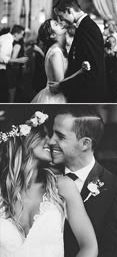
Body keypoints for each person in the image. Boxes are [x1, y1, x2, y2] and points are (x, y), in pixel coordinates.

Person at [0, 110, 98, 257]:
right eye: (43, 134)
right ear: (23, 138)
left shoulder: (62, 186)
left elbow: (89, 246)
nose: (51, 141)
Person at [49, 105, 117, 257]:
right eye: (52, 133)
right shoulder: (45, 177)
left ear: (85, 143)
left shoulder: (113, 187)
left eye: (60, 136)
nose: (50, 141)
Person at [52, 0, 106, 103]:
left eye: (61, 16)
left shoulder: (88, 29)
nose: (61, 21)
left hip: (87, 96)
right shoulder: (83, 27)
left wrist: (61, 86)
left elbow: (91, 70)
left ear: (68, 10)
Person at [0, 25, 28, 103]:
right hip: (1, 70)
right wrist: (18, 60)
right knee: (4, 94)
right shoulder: (8, 40)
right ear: (16, 34)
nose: (22, 37)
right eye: (21, 34)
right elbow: (1, 58)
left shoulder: (5, 38)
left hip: (3, 69)